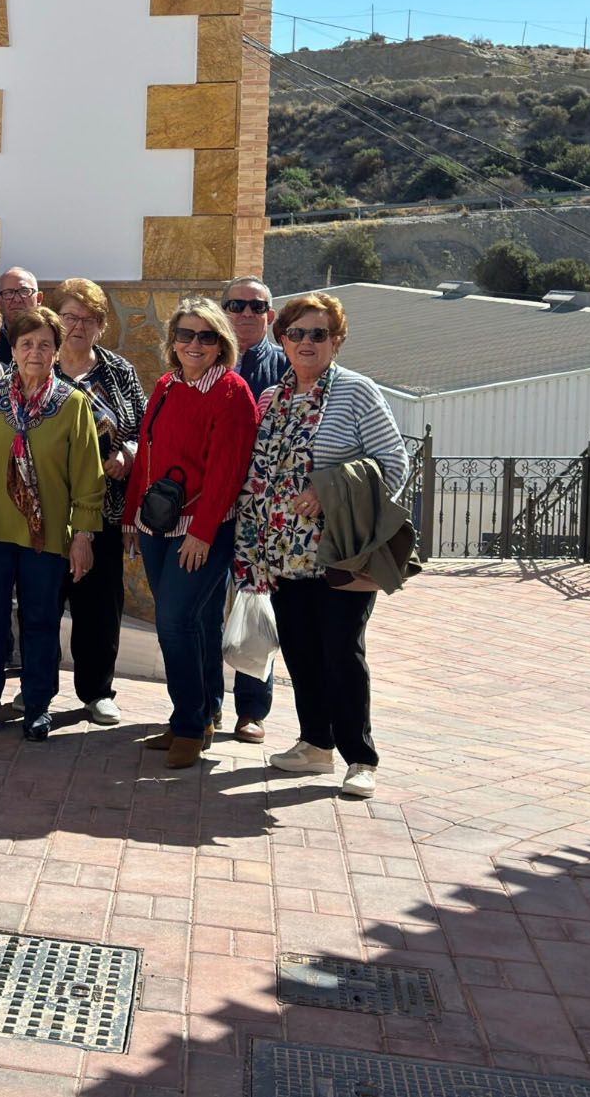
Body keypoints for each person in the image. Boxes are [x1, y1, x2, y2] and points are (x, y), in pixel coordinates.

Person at [237, 292, 408, 800]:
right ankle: (315, 744)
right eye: (297, 333)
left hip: (342, 551)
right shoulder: (271, 398)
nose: (307, 342)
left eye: (319, 334)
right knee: (302, 652)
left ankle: (361, 757)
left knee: (342, 651)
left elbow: (395, 465)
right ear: (282, 339)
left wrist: (328, 490)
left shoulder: (356, 392)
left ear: (336, 340)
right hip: (284, 552)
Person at [0, 307, 104, 740]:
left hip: (47, 537)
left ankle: (38, 704)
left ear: (56, 351)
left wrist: (84, 536)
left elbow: (88, 478)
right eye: (26, 344)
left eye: (44, 344)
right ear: (12, 349)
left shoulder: (73, 404)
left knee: (39, 621)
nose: (34, 352)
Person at [123, 299, 259, 769]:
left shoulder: (231, 392)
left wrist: (201, 534)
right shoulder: (164, 385)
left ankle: (187, 724)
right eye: (185, 334)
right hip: (156, 526)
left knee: (174, 624)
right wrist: (129, 518)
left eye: (206, 336)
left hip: (203, 531)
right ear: (172, 341)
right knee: (195, 624)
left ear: (221, 342)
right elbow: (147, 453)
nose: (194, 344)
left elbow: (229, 470)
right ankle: (205, 713)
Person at [49, 279, 146, 726]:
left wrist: (127, 456)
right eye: (70, 317)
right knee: (42, 603)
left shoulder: (118, 371)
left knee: (100, 606)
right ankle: (37, 688)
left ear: (102, 326)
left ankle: (97, 692)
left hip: (106, 509)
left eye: (89, 319)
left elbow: (147, 432)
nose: (78, 326)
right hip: (46, 512)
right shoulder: (38, 366)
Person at [224, 275, 286, 400]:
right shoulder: (204, 362)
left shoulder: (289, 365)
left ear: (270, 317)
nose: (247, 314)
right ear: (223, 315)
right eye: (237, 306)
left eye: (257, 306)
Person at [0, 267, 41, 365]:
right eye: (8, 293)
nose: (17, 299)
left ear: (39, 298)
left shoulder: (52, 339)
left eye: (24, 291)